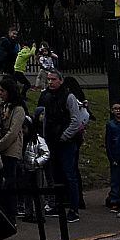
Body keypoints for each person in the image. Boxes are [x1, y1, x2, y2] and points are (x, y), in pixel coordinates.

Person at [42, 75, 89, 214]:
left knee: (69, 174)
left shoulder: (69, 97)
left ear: (60, 81)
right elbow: (45, 117)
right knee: (55, 174)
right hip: (52, 140)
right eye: (48, 79)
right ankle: (58, 204)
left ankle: (74, 208)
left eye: (53, 79)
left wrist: (64, 136)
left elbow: (75, 120)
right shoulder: (47, 96)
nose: (50, 82)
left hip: (66, 142)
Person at [0, 77, 29, 217]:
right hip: (0, 147)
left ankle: (11, 211)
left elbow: (13, 132)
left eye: (3, 90)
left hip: (11, 150)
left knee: (10, 181)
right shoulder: (1, 106)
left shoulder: (18, 109)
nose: (0, 93)